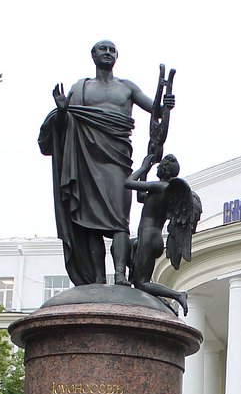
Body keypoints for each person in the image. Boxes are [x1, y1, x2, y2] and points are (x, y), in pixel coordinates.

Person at [38, 40, 175, 286]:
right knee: (89, 222)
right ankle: (98, 279)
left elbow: (154, 110)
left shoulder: (127, 87)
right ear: (93, 55)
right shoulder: (81, 88)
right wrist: (61, 111)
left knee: (119, 220)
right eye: (103, 49)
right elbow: (66, 123)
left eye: (112, 50)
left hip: (116, 160)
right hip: (86, 159)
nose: (108, 53)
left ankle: (121, 274)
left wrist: (166, 106)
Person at [125, 153, 201, 315]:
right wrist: (146, 172)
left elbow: (128, 183)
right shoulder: (160, 190)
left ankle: (177, 295)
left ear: (164, 169)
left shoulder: (161, 187)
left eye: (159, 166)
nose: (157, 168)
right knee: (130, 246)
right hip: (150, 238)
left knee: (142, 284)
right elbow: (140, 197)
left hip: (149, 237)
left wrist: (143, 168)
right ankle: (159, 300)